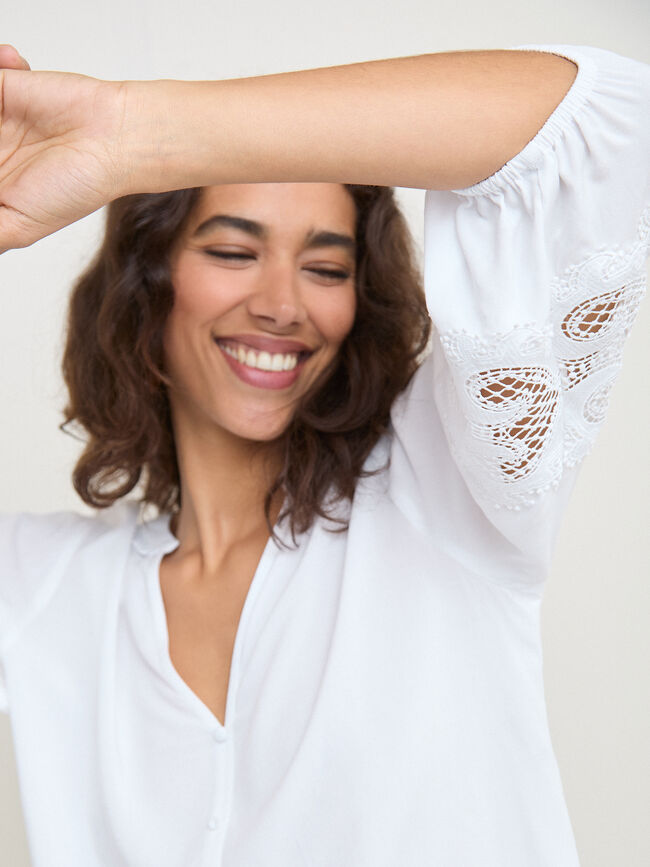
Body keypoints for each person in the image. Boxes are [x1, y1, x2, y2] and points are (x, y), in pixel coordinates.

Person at [0, 40, 648, 867]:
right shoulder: (47, 587)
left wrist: (132, 133)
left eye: (327, 266)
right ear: (148, 283)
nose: (281, 305)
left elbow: (601, 122)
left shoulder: (445, 494)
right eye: (233, 251)